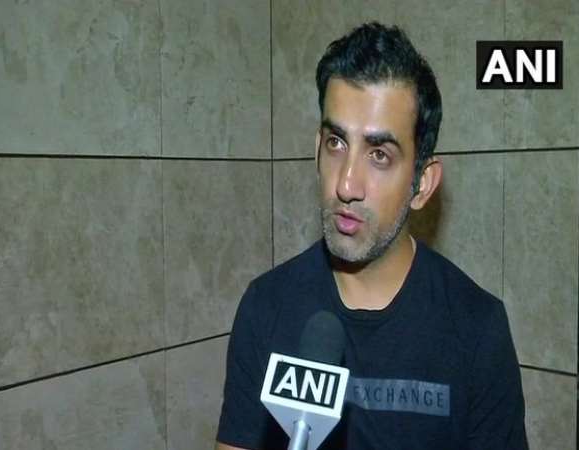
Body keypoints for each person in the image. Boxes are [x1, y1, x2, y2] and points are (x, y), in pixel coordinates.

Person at [215, 22, 528, 450]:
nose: (346, 184)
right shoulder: (265, 307)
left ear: (422, 183)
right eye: (336, 143)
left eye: (379, 154)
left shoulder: (477, 329)